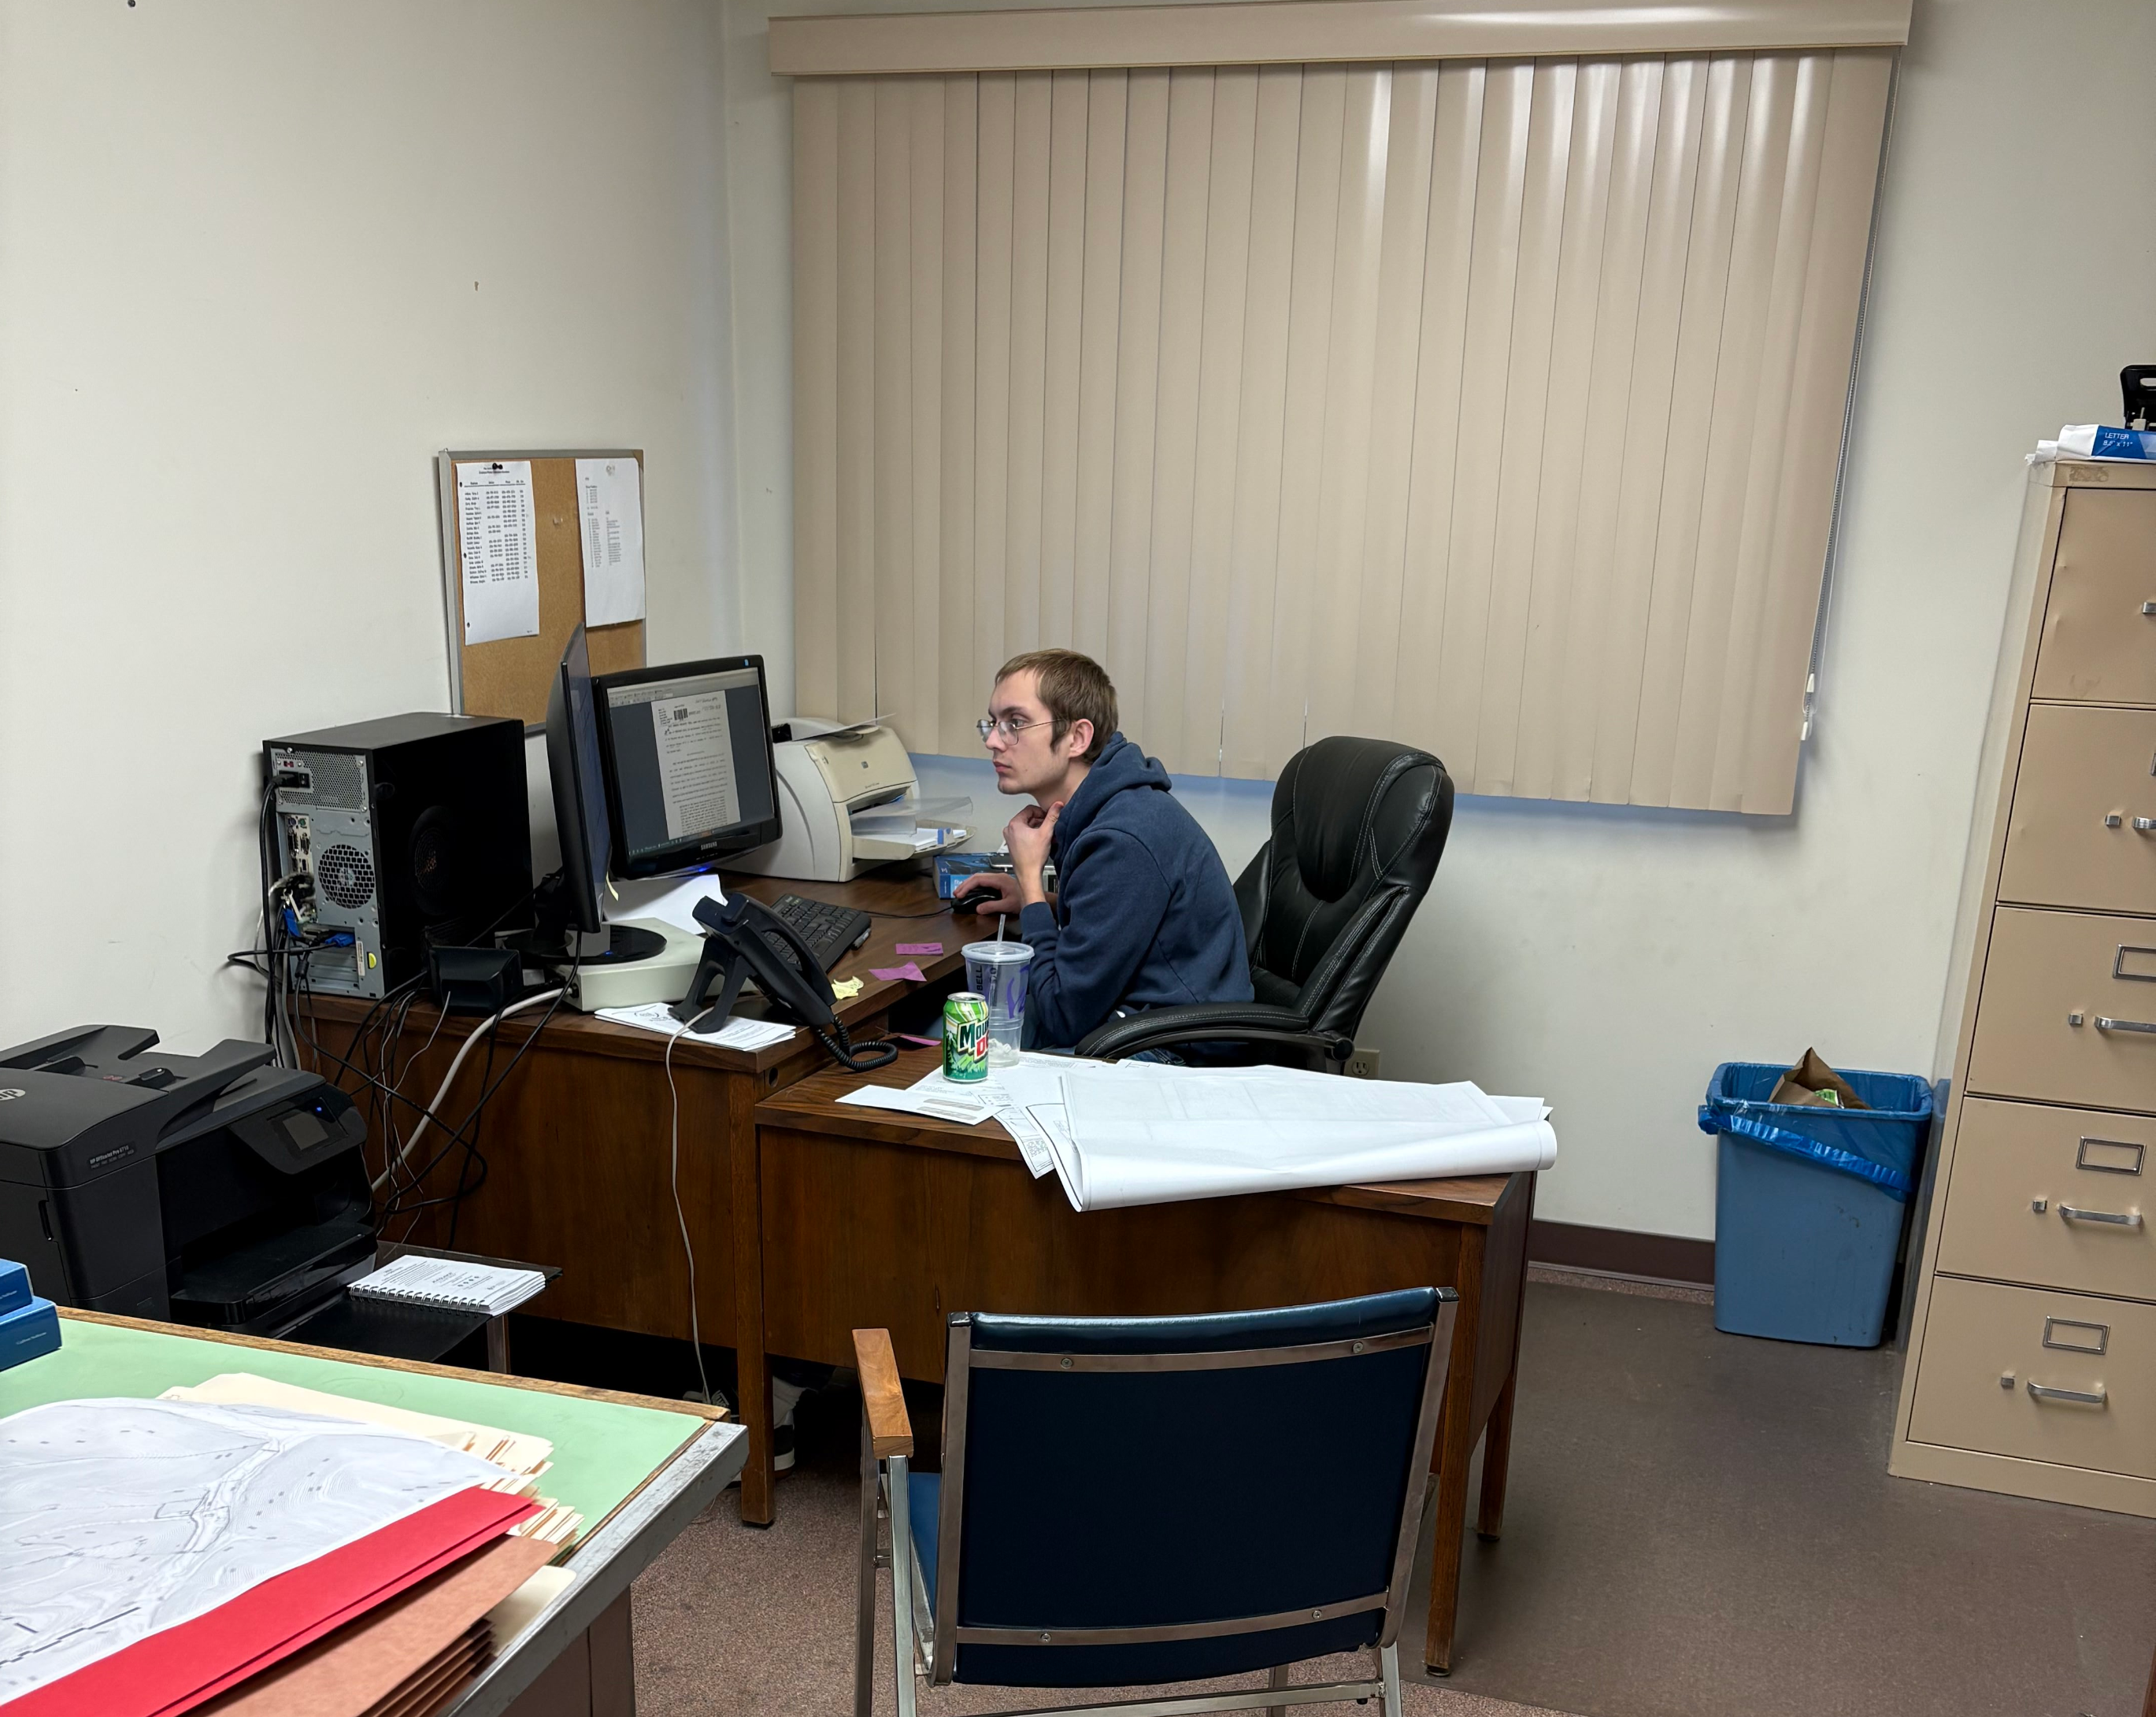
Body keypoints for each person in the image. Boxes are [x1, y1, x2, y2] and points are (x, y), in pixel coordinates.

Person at [954, 649, 1252, 1050]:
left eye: (1015, 723)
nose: (993, 740)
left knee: (962, 1053)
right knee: (953, 1034)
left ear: (1077, 738)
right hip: (1131, 1016)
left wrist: (1031, 889)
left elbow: (1063, 1016)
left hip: (1170, 1049)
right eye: (992, 723)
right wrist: (1042, 900)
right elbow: (1120, 923)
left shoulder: (1122, 838)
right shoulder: (1104, 808)